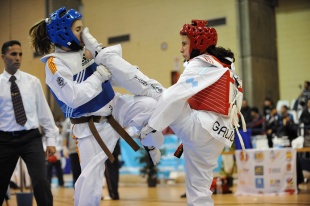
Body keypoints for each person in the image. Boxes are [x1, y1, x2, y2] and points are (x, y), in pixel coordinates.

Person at [83, 19, 244, 206]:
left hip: (200, 128)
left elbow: (173, 97)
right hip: (218, 137)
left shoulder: (201, 62)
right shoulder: (226, 67)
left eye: (184, 44)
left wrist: (151, 128)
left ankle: (100, 52)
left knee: (154, 90)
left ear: (198, 44)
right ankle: (150, 140)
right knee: (199, 192)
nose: (181, 49)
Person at [29, 7, 164, 206]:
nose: (83, 33)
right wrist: (99, 75)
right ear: (63, 33)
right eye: (78, 29)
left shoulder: (85, 51)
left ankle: (147, 136)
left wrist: (103, 55)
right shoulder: (55, 64)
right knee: (90, 184)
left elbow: (113, 69)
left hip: (115, 107)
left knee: (151, 105)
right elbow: (73, 97)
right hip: (91, 126)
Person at [0, 40, 58, 206]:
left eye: (20, 54)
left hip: (31, 138)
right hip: (4, 141)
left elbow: (44, 113)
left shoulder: (33, 82)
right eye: (13, 54)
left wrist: (51, 140)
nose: (18, 58)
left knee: (41, 181)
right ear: (3, 57)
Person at [61, 117, 81, 188]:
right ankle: (77, 192)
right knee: (76, 172)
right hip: (73, 150)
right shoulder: (68, 121)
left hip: (85, 149)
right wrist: (64, 148)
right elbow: (64, 135)